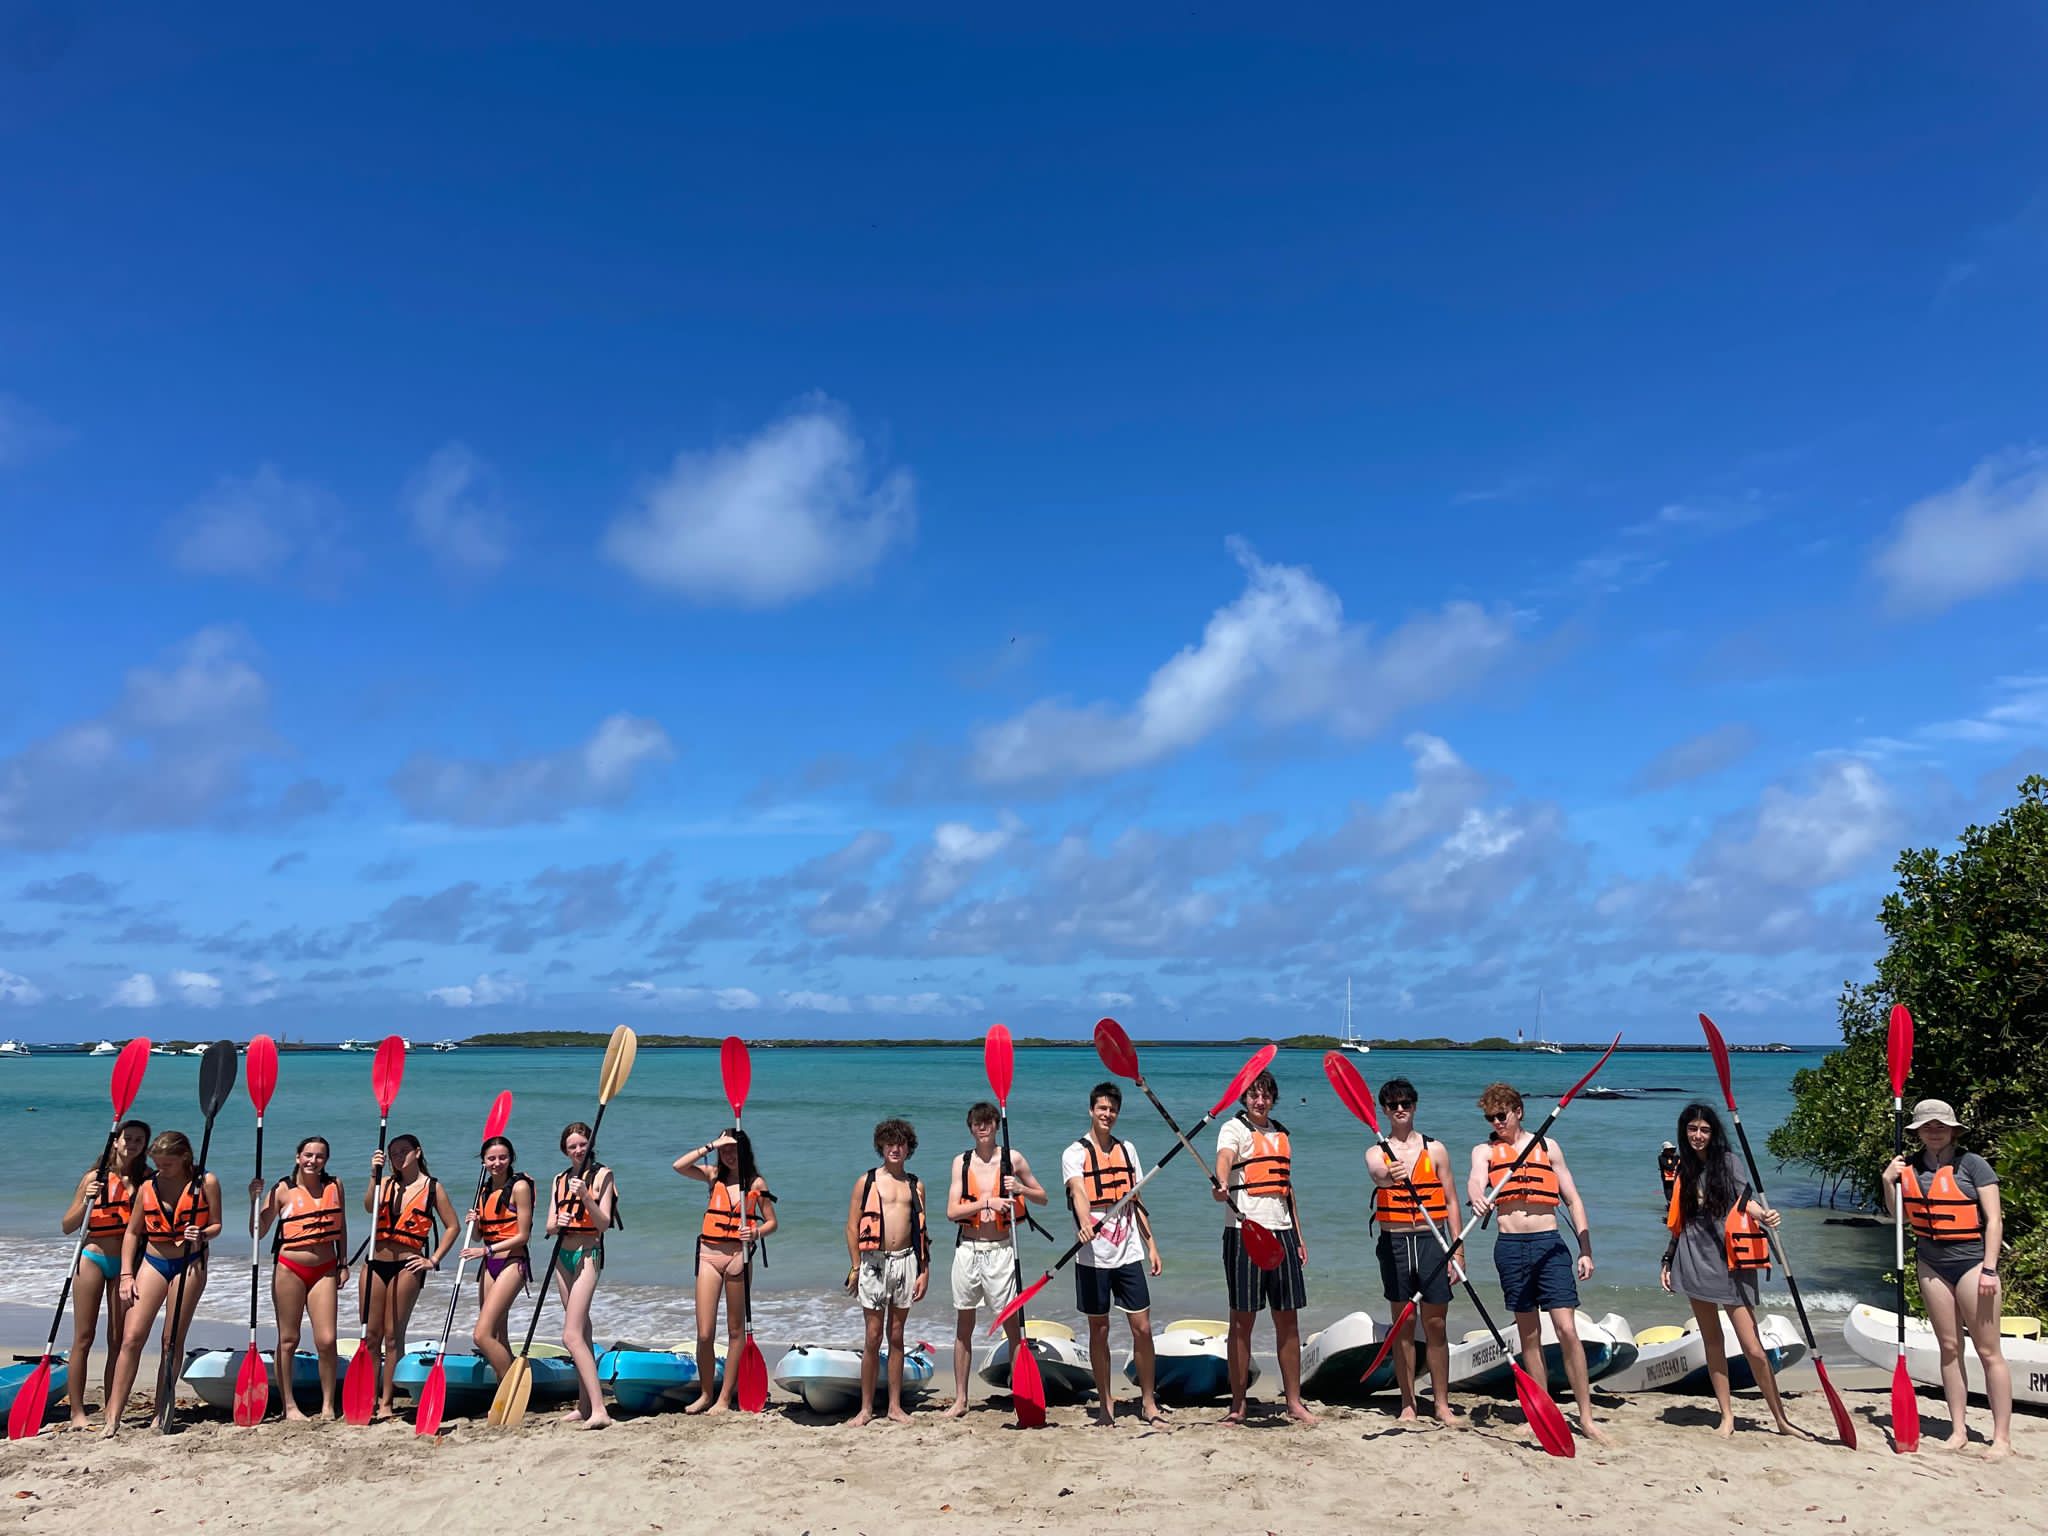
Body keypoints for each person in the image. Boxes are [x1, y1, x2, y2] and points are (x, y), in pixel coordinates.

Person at [1467, 1083, 1609, 1445]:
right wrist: (1478, 1197)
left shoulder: (1548, 1146)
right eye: (1490, 1118)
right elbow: (1475, 1182)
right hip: (1510, 1247)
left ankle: (1586, 1417)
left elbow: (1573, 1200)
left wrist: (1586, 1249)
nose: (1497, 1122)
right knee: (1528, 1334)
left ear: (1518, 1112)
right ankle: (1541, 1413)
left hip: (1549, 1245)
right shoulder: (1484, 1151)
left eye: (1502, 1115)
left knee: (1566, 1329)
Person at [1658, 1103, 1803, 1437]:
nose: (1697, 1136)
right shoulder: (1683, 1168)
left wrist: (1764, 1215)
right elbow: (1679, 1223)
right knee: (1712, 1342)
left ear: (1713, 1133)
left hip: (1730, 1261)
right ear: (1684, 1131)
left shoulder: (1727, 1162)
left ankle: (1781, 1420)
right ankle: (1727, 1416)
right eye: (1692, 1129)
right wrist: (1667, 1261)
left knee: (1753, 1347)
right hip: (1692, 1257)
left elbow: (1744, 1199)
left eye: (1704, 1130)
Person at [1881, 1098, 2014, 1458]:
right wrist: (1888, 1180)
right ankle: (1958, 1430)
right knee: (1950, 1348)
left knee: (1988, 1351)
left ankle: (2001, 1438)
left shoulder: (1973, 1165)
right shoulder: (1907, 1167)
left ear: (1953, 1130)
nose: (1934, 1132)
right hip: (1931, 1263)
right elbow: (1899, 1218)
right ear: (1918, 1132)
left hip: (1972, 1263)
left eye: (1941, 1126)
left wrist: (1989, 1269)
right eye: (1928, 1126)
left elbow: (1994, 1220)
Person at [100, 1131, 223, 1437]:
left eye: (167, 1164)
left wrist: (203, 1233)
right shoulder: (147, 1186)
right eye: (157, 1163)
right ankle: (112, 1417)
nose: (161, 1169)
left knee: (171, 1340)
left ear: (184, 1158)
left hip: (190, 1263)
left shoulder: (206, 1182)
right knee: (131, 1337)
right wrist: (126, 1275)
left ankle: (160, 1413)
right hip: (154, 1262)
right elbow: (132, 1233)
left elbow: (216, 1224)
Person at [1062, 1081, 1166, 1428]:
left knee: (1143, 1328)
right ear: (1091, 1110)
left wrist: (1151, 1245)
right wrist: (1084, 1222)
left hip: (1128, 1251)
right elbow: (1078, 1190)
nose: (1107, 1114)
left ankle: (1148, 1403)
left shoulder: (1128, 1150)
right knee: (1100, 1329)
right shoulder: (1074, 1153)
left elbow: (1136, 1199)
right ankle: (1105, 1406)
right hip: (1092, 1255)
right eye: (1102, 1108)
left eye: (1112, 1110)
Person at [1215, 1068, 1315, 1425]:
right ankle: (1238, 1404)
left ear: (1273, 1099)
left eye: (1266, 1095)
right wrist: (1222, 1183)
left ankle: (1294, 1402)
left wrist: (1299, 1237)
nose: (1260, 1101)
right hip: (1245, 1231)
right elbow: (1224, 1158)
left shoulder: (1281, 1134)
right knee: (1242, 1321)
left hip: (1282, 1231)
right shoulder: (1234, 1129)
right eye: (1254, 1095)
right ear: (1245, 1098)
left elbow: (1287, 1190)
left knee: (1288, 1320)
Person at [1363, 1076, 1461, 1425]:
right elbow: (1378, 1175)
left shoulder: (1436, 1149)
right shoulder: (1376, 1151)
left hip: (1432, 1241)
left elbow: (1451, 1200)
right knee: (1403, 1324)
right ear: (1384, 1111)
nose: (1400, 1109)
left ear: (1414, 1106)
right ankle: (1408, 1402)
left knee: (1436, 1324)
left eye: (1406, 1103)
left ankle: (1442, 1404)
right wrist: (1391, 1175)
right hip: (1395, 1243)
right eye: (1393, 1105)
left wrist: (1458, 1251)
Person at [941, 1101, 1048, 1417]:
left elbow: (1043, 1197)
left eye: (988, 1122)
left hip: (1001, 1251)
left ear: (996, 1126)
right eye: (977, 1123)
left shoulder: (1013, 1159)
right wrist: (987, 1202)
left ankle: (1020, 1398)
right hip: (968, 1249)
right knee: (964, 1325)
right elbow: (952, 1211)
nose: (983, 1127)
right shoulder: (961, 1162)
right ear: (971, 1128)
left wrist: (1020, 1188)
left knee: (1012, 1327)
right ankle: (961, 1399)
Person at [674, 1127, 777, 1414]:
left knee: (735, 1331)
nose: (729, 1155)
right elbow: (679, 1166)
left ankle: (723, 1398)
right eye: (725, 1150)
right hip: (709, 1256)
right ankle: (706, 1394)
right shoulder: (712, 1175)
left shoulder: (755, 1183)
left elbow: (772, 1222)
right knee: (705, 1333)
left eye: (734, 1149)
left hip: (738, 1258)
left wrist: (755, 1233)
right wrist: (710, 1145)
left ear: (745, 1151)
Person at [360, 1133, 459, 1420]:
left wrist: (433, 1260)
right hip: (375, 1263)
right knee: (371, 1336)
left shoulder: (432, 1187)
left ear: (417, 1152)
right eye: (394, 1153)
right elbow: (369, 1207)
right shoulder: (385, 1183)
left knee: (393, 1336)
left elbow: (453, 1226)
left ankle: (387, 1401)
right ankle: (367, 1397)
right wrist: (374, 1175)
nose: (399, 1157)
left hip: (407, 1266)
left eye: (404, 1151)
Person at [59, 1118, 150, 1430]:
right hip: (93, 1258)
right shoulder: (94, 1178)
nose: (132, 1144)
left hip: (126, 1266)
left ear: (145, 1146)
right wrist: (87, 1199)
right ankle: (77, 1413)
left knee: (117, 1339)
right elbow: (67, 1226)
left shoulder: (148, 1180)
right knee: (84, 1337)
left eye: (139, 1140)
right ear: (116, 1141)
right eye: (128, 1138)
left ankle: (113, 1407)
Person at [252, 1135, 348, 1420]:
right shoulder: (282, 1189)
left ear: (326, 1160)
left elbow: (341, 1226)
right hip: (289, 1269)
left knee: (327, 1340)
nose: (313, 1161)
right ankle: (289, 1405)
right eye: (308, 1155)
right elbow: (258, 1231)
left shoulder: (335, 1185)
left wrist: (343, 1263)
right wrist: (254, 1201)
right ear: (298, 1157)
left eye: (319, 1156)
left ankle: (328, 1404)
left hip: (325, 1269)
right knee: (289, 1339)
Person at [843, 1118, 930, 1425]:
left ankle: (894, 1406)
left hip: (905, 1261)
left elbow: (922, 1232)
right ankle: (865, 1409)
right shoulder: (867, 1181)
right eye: (890, 1143)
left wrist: (924, 1270)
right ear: (881, 1146)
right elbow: (852, 1227)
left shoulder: (915, 1185)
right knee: (872, 1335)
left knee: (896, 1335)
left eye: (901, 1144)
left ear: (909, 1148)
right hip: (874, 1263)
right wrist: (856, 1266)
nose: (895, 1149)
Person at [544, 1121, 619, 1429]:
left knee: (570, 1335)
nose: (578, 1150)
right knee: (582, 1332)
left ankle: (600, 1410)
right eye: (572, 1146)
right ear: (565, 1150)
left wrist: (587, 1196)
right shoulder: (559, 1179)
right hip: (562, 1257)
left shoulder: (604, 1175)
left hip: (588, 1255)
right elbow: (549, 1226)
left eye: (582, 1145)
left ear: (591, 1145)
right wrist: (558, 1222)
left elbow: (603, 1223)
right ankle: (584, 1405)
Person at [460, 1135, 534, 1379]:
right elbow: (478, 1237)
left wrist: (486, 1251)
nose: (497, 1163)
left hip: (512, 1262)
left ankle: (512, 1384)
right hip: (489, 1263)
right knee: (498, 1334)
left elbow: (523, 1235)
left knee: (482, 1335)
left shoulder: (519, 1187)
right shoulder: (483, 1190)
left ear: (511, 1158)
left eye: (503, 1157)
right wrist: (474, 1223)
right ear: (483, 1161)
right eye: (491, 1158)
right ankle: (507, 1385)